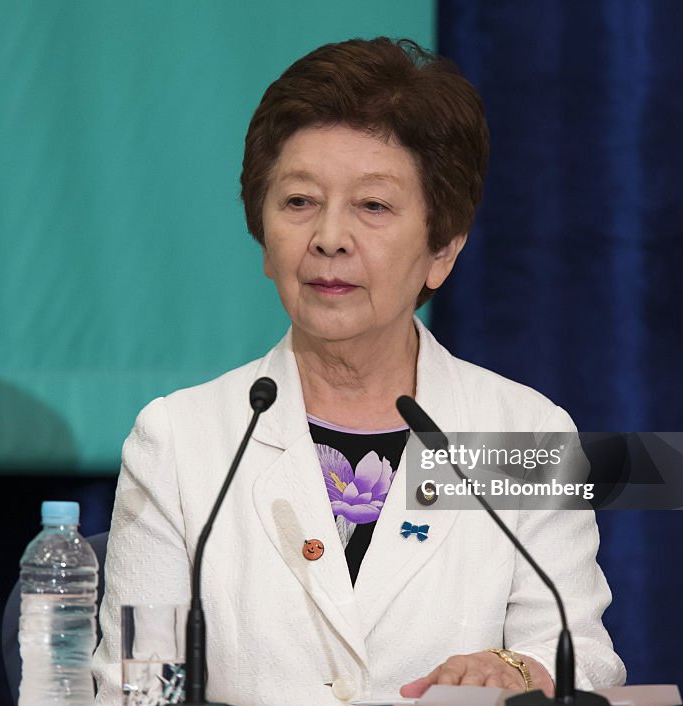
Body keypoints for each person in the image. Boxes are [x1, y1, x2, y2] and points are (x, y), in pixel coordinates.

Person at [91, 37, 625, 705]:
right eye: (298, 203)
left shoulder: (525, 435)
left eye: (373, 206)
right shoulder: (181, 439)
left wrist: (519, 672)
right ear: (263, 238)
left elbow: (582, 658)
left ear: (442, 251)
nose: (329, 237)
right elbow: (129, 688)